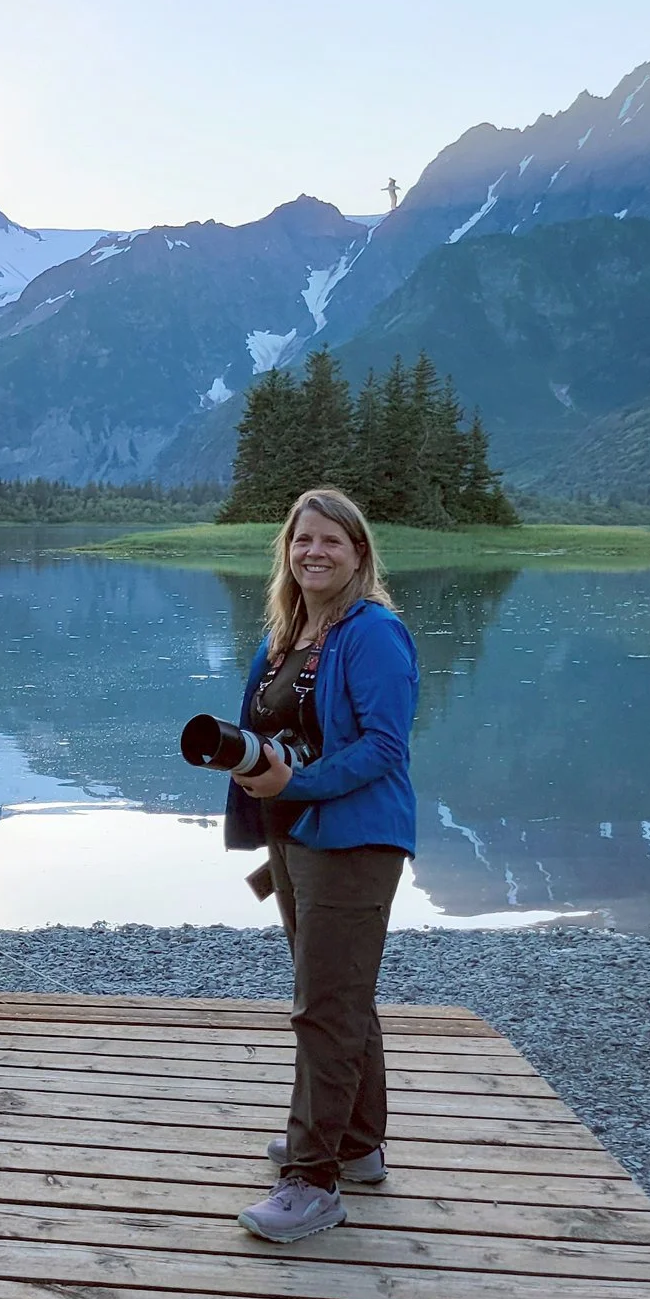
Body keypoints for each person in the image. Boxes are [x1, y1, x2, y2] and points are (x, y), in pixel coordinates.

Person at [224, 486, 419, 1245]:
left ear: (359, 552)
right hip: (296, 837)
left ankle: (312, 1179)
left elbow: (382, 747)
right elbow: (262, 730)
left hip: (353, 840)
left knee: (323, 1009)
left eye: (331, 541)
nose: (314, 552)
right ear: (287, 551)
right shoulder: (287, 636)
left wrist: (296, 782)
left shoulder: (373, 633)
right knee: (342, 996)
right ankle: (357, 1143)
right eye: (303, 540)